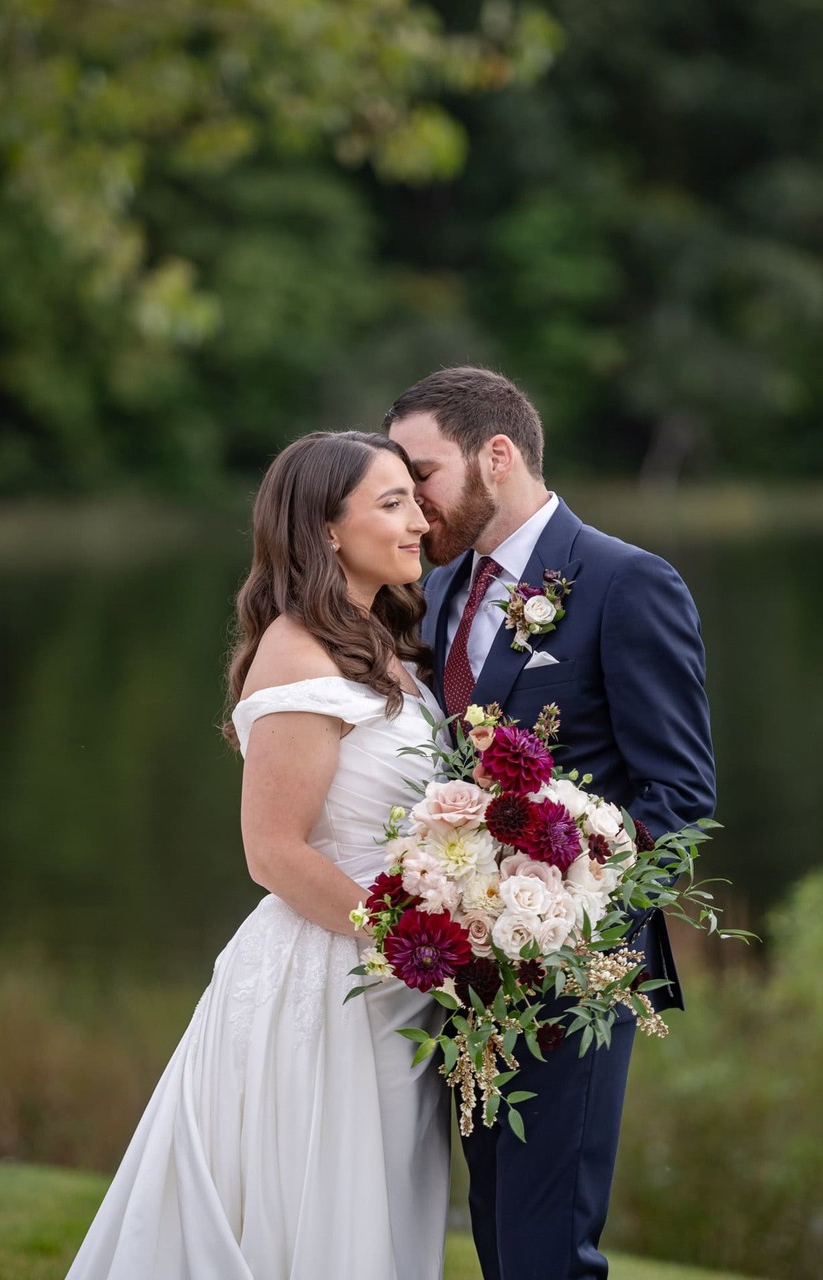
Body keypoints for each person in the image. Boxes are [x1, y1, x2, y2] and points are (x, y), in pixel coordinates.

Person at [65, 431, 451, 1280]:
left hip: (390, 985)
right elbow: (271, 852)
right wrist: (411, 946)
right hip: (327, 979)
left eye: (414, 499)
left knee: (384, 1204)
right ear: (323, 530)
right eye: (393, 503)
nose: (420, 520)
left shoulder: (382, 638)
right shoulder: (297, 651)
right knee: (316, 1212)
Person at [384, 366, 716, 1280]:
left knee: (548, 1250)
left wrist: (563, 925)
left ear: (498, 455)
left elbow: (679, 801)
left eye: (422, 473)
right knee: (496, 1231)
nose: (411, 502)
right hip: (464, 982)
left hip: (575, 982)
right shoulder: (440, 589)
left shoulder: (626, 582)